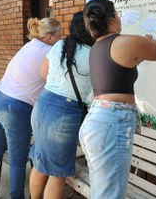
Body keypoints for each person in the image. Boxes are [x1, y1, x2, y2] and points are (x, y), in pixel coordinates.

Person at [79, 0, 156, 199]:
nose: (119, 17)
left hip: (97, 123)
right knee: (111, 195)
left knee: (103, 192)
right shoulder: (125, 41)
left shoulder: (98, 46)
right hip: (111, 123)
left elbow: (133, 60)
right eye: (116, 13)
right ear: (110, 19)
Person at [0, 17, 61, 199]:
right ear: (49, 38)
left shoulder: (30, 45)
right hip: (14, 107)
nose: (61, 40)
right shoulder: (50, 51)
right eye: (59, 36)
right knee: (17, 161)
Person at [29, 12, 95, 199]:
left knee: (41, 163)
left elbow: (43, 72)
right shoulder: (94, 53)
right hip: (64, 113)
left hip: (43, 104)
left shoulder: (59, 44)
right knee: (57, 173)